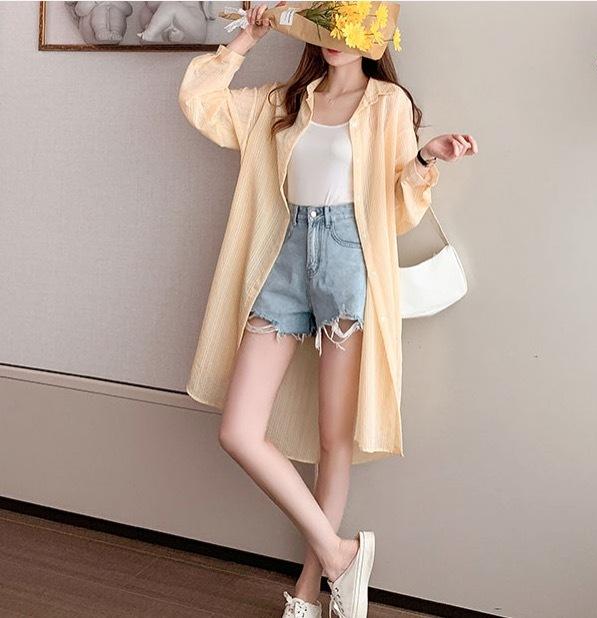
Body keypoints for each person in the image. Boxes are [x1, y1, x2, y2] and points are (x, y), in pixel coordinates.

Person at [178, 3, 477, 616]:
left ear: (372, 37)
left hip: (347, 264)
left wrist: (424, 161)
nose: (334, 41)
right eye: (325, 27)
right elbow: (199, 102)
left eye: (347, 29)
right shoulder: (282, 102)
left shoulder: (388, 104)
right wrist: (246, 39)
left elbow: (395, 213)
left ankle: (309, 593)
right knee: (238, 431)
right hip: (282, 259)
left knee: (333, 438)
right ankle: (342, 554)